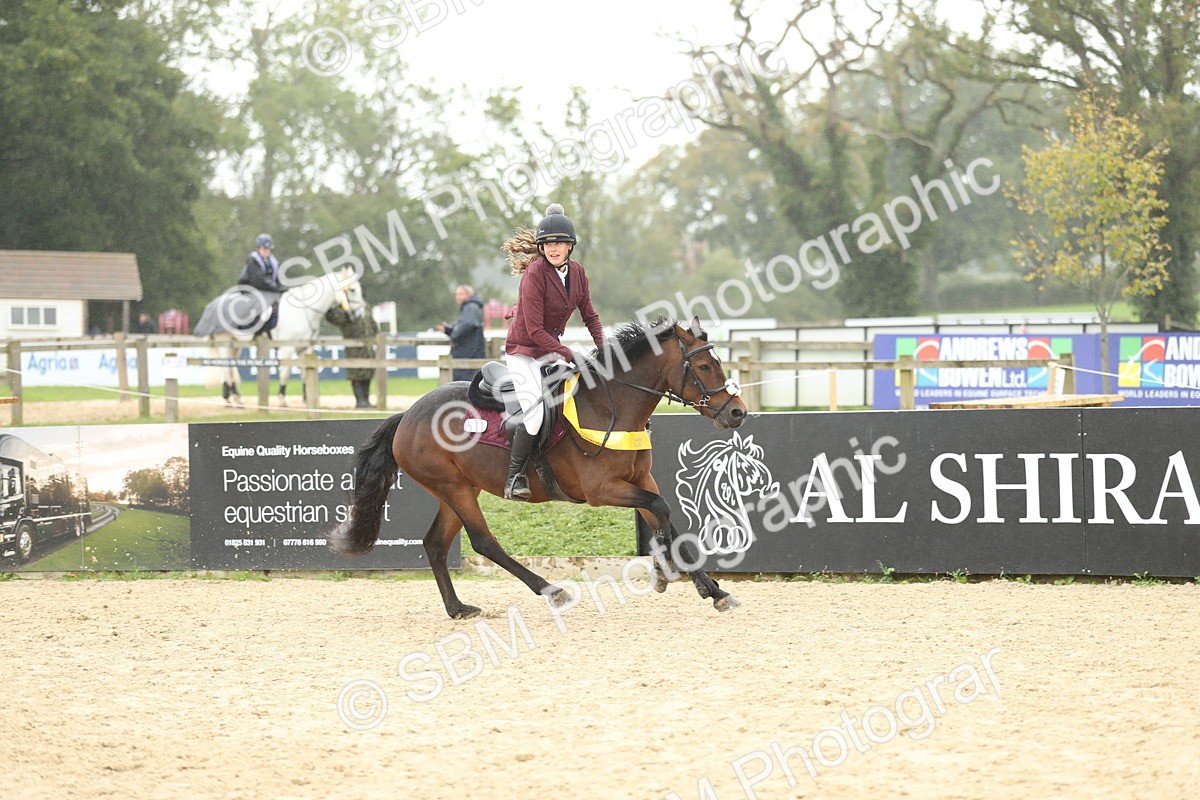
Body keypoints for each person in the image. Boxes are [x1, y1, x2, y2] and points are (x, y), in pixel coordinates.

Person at [501, 203, 605, 500]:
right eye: (548, 243)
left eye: (559, 242)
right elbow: (534, 332)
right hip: (524, 350)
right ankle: (514, 477)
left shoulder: (579, 274)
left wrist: (604, 349)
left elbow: (591, 317)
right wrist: (569, 354)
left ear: (570, 246)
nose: (553, 248)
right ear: (541, 247)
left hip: (551, 349)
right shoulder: (534, 273)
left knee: (582, 391)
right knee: (534, 415)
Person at [326, 305, 380, 408]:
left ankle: (366, 400)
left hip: (368, 349)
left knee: (367, 374)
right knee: (356, 375)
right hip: (354, 350)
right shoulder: (345, 313)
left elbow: (374, 328)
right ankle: (360, 400)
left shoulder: (365, 310)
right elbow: (334, 318)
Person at [436, 285, 485, 382]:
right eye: (457, 294)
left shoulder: (470, 307)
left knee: (464, 383)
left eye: (461, 294)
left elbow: (469, 324)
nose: (457, 297)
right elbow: (465, 325)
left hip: (468, 353)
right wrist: (448, 330)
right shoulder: (470, 307)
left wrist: (454, 336)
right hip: (469, 352)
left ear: (469, 295)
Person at [237, 233, 285, 331]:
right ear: (258, 249)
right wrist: (276, 288)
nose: (267, 251)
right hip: (250, 289)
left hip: (265, 289)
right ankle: (250, 326)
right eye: (264, 249)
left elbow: (277, 277)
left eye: (269, 249)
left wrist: (282, 287)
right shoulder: (253, 260)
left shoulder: (273, 262)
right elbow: (260, 280)